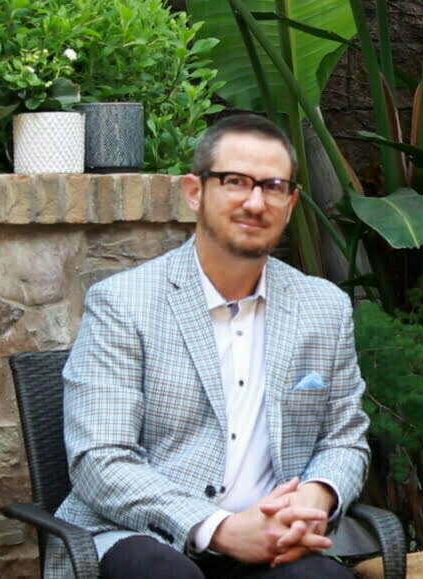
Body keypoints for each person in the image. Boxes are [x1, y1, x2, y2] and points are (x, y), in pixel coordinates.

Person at [47, 114, 370, 579]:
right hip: (143, 538)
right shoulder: (123, 303)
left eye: (273, 186)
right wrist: (217, 527)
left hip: (269, 543)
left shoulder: (324, 308)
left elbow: (344, 437)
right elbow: (100, 460)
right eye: (235, 181)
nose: (255, 202)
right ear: (195, 191)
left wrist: (315, 495)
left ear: (291, 201)